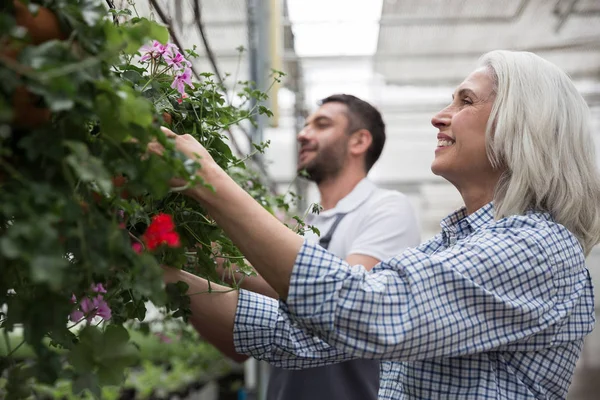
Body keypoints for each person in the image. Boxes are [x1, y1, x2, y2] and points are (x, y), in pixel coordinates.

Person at [152, 50, 600, 399]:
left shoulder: (537, 245)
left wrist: (207, 179)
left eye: (465, 101)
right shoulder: (448, 248)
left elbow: (366, 307)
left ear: (523, 125)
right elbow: (293, 332)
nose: (439, 116)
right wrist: (150, 269)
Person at [195, 94, 420, 400]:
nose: (302, 134)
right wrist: (183, 271)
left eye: (321, 124)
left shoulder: (385, 208)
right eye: (304, 126)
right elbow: (236, 347)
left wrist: (220, 260)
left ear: (359, 142)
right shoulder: (304, 226)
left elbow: (348, 305)